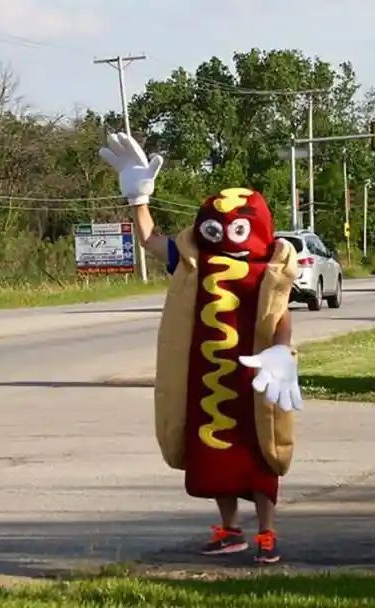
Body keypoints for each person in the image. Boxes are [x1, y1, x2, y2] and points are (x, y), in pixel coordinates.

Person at [99, 132, 303, 565]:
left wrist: (281, 352)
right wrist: (138, 196)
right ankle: (230, 531)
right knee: (213, 453)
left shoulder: (267, 267)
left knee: (260, 452)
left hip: (254, 372)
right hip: (206, 374)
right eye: (216, 226)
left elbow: (280, 314)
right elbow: (151, 240)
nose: (224, 234)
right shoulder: (195, 260)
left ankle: (266, 534)